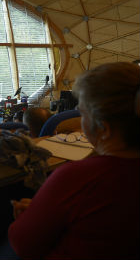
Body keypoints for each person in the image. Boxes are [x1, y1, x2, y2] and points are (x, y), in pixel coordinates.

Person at [8, 62, 140, 259]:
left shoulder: (77, 177)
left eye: (83, 114)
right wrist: (46, 211)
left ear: (104, 129)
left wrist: (30, 217)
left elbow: (21, 244)